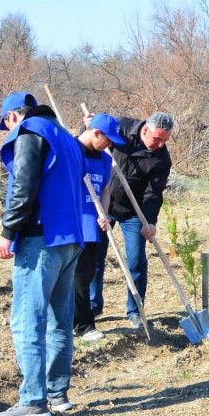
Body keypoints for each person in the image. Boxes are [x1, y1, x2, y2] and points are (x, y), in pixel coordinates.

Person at [0, 91, 87, 416]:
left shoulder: (30, 132)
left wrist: (8, 232)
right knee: (59, 320)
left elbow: (24, 185)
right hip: (72, 239)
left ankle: (33, 400)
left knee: (27, 320)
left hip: (41, 238)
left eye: (6, 126)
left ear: (12, 118)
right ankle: (57, 393)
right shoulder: (67, 137)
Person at [102, 111, 174, 326]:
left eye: (165, 140)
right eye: (157, 138)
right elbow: (91, 137)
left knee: (136, 260)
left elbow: (153, 193)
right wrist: (88, 126)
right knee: (95, 258)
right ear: (145, 130)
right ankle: (93, 306)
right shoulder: (121, 127)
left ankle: (135, 310)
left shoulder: (162, 159)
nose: (161, 144)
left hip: (133, 212)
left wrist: (149, 221)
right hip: (102, 204)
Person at [73, 113, 126, 341]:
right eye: (108, 139)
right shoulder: (71, 151)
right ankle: (84, 326)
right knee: (77, 277)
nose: (109, 145)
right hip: (73, 224)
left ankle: (79, 323)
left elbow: (105, 190)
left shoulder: (105, 160)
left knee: (87, 275)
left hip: (94, 225)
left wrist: (103, 212)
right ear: (96, 132)